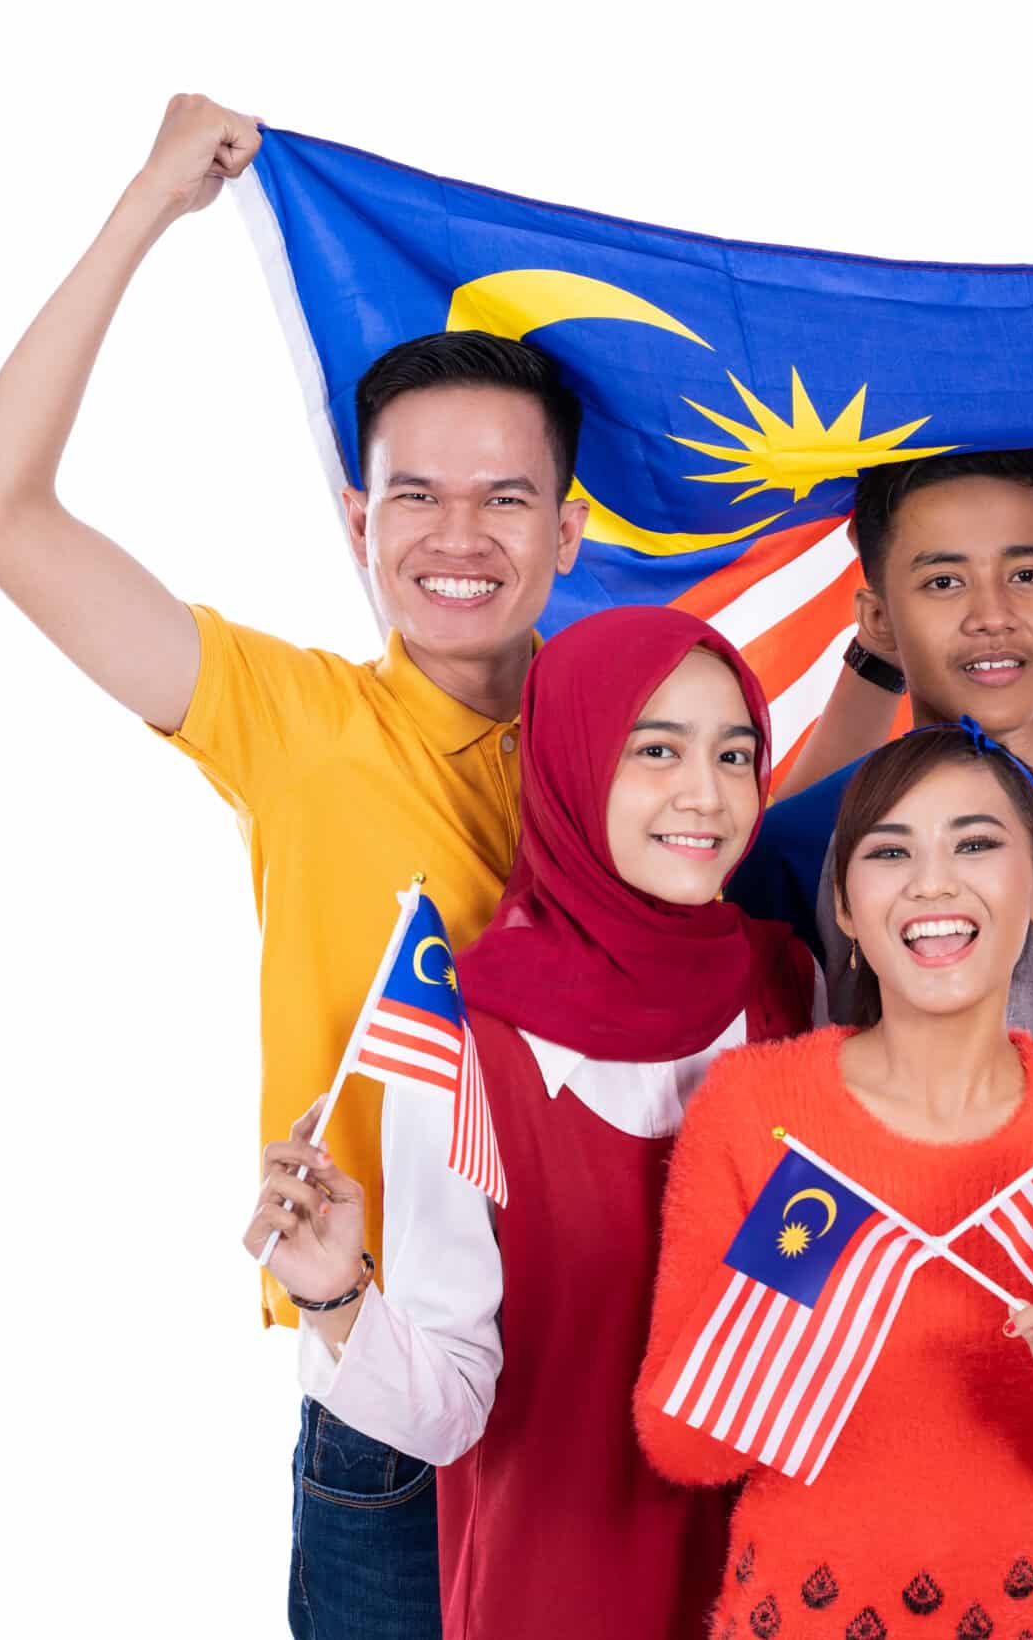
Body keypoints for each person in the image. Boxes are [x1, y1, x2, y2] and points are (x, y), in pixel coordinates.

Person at [0, 94, 590, 1636]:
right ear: (358, 517)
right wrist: (151, 201)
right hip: (386, 1375)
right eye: (416, 495)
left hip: (603, 1379)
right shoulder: (298, 721)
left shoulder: (641, 746)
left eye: (507, 497)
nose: (460, 533)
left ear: (569, 530)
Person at [243, 607, 815, 1638]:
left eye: (736, 754)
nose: (707, 792)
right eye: (655, 749)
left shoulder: (787, 985)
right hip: (554, 1589)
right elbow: (451, 1408)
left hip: (774, 1582)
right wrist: (335, 1297)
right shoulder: (472, 1045)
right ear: (567, 763)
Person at [727, 448, 1033, 1610]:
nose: (994, 616)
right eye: (943, 582)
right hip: (888, 1390)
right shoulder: (799, 849)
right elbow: (767, 1122)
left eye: (1028, 574)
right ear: (877, 613)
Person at [638, 721, 1033, 1639]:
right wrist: (803, 1280)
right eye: (890, 851)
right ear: (847, 905)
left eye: (975, 843)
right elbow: (680, 1442)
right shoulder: (753, 1105)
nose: (933, 881)